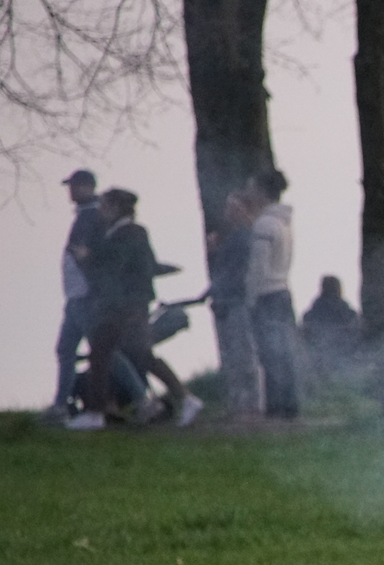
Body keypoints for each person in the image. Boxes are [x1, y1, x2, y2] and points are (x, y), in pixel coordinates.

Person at [67, 189, 200, 431]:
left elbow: (117, 265)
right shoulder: (129, 233)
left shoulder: (128, 234)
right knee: (131, 354)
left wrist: (89, 257)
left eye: (105, 205)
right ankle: (186, 398)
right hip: (130, 305)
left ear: (116, 208)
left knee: (107, 353)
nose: (100, 210)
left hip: (123, 306)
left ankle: (97, 413)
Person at [46, 170, 145, 420]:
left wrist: (89, 273)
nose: (70, 191)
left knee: (102, 351)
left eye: (75, 186)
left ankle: (141, 400)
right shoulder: (88, 215)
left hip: (86, 295)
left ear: (87, 187)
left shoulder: (91, 217)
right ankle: (60, 405)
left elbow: (98, 256)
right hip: (77, 295)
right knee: (73, 349)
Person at [245, 168, 299, 419]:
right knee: (283, 352)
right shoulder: (283, 222)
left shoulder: (264, 224)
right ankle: (289, 404)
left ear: (261, 192)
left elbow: (258, 267)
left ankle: (276, 407)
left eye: (252, 188)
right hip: (283, 291)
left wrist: (251, 296)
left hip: (267, 295)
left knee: (269, 353)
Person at [207, 190, 262, 416]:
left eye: (235, 207)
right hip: (227, 300)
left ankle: (250, 401)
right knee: (233, 352)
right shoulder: (233, 235)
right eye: (228, 207)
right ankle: (239, 400)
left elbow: (236, 271)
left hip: (237, 299)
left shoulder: (247, 236)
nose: (229, 212)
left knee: (243, 352)